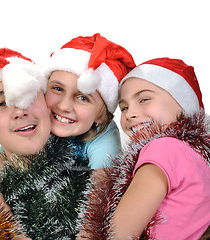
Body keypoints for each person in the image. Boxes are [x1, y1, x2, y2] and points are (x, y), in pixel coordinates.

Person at [0, 48, 90, 239]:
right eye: (2, 103)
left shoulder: (88, 146)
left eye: (29, 95)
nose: (20, 111)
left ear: (47, 105)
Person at [82, 58, 210, 239]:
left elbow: (117, 235)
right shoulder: (195, 157)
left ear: (183, 103)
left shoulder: (164, 148)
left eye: (144, 99)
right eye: (124, 107)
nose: (130, 114)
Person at [44, 33, 136, 169]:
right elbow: (2, 165)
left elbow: (100, 186)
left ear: (101, 117)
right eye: (57, 88)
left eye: (83, 98)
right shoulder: (30, 114)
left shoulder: (105, 137)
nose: (64, 106)